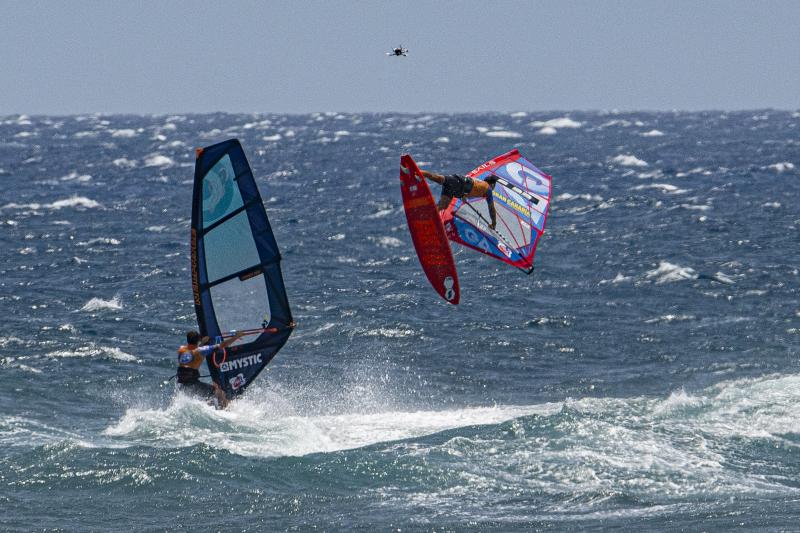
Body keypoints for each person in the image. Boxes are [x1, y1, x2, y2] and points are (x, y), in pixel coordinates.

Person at [175, 330, 245, 408]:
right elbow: (222, 345)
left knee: (207, 394)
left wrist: (201, 342)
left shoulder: (181, 349)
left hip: (181, 384)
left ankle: (211, 404)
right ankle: (222, 409)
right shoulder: (201, 350)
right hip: (192, 384)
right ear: (198, 340)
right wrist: (236, 337)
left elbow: (193, 350)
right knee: (218, 391)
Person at [420, 170, 499, 229]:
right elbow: (491, 208)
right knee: (437, 178)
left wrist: (462, 196)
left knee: (443, 206)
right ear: (492, 184)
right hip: (458, 182)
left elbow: (471, 187)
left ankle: (426, 217)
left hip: (457, 187)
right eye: (494, 186)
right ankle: (418, 172)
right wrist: (494, 223)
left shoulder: (480, 184)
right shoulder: (488, 189)